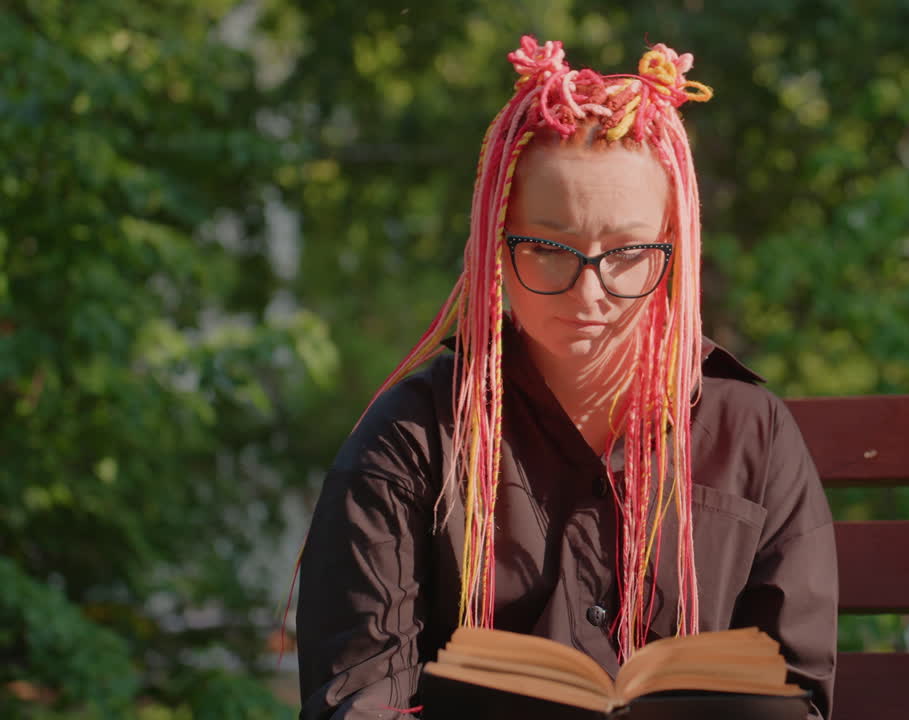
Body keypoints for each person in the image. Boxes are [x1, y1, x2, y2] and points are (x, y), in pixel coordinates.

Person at [295, 36, 838, 719]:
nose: (589, 295)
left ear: (675, 247)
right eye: (550, 249)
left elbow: (798, 697)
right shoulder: (413, 441)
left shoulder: (752, 436)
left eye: (630, 252)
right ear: (498, 241)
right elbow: (358, 698)